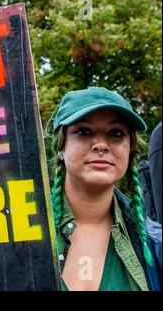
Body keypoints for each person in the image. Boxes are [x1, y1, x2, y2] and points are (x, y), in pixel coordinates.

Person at [48, 87, 161, 291]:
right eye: (84, 131)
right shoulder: (17, 234)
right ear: (61, 148)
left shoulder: (154, 245)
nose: (101, 145)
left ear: (130, 150)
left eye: (115, 133)